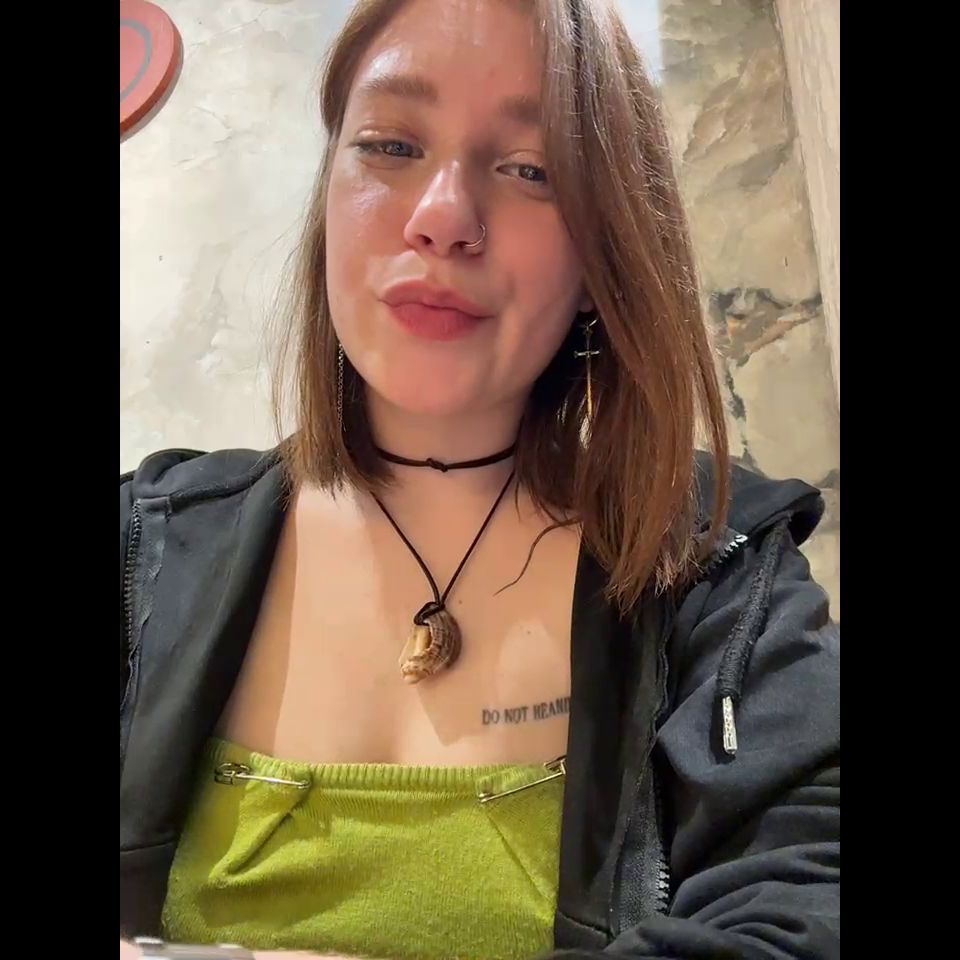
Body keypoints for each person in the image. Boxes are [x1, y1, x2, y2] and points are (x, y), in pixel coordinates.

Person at [119, 0, 840, 958]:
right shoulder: (144, 546)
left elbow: (806, 914)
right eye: (389, 145)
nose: (443, 219)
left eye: (532, 169)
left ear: (602, 255)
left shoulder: (722, 572)